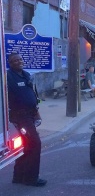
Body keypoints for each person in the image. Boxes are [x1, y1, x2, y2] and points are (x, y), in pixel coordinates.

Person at [7, 52, 47, 187]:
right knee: (35, 143)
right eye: (15, 60)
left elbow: (32, 94)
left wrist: (36, 112)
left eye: (20, 59)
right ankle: (31, 178)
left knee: (27, 144)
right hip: (20, 116)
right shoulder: (7, 77)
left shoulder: (26, 75)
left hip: (30, 114)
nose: (18, 62)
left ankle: (18, 176)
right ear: (10, 63)